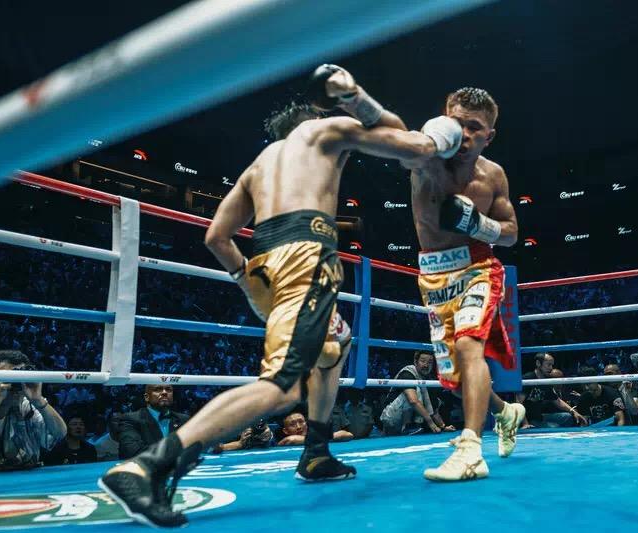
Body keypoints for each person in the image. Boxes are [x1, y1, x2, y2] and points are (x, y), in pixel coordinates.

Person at [99, 65, 463, 527]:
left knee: (336, 343)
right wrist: (428, 129)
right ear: (314, 118)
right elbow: (407, 142)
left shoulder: (261, 164)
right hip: (306, 258)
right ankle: (147, 467)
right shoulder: (324, 131)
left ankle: (316, 451)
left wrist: (248, 283)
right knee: (282, 386)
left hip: (266, 262)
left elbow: (216, 236)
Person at [406, 87, 528, 481]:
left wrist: (478, 224)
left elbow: (511, 232)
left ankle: (471, 449)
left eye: (474, 127)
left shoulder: (493, 175)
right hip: (433, 275)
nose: (465, 134)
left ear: (489, 136)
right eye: (457, 123)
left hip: (478, 267)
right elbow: (397, 146)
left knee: (468, 343)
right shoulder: (426, 157)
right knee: (456, 382)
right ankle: (505, 412)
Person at [0, 350, 66, 471]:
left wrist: (38, 399)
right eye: (9, 378)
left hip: (24, 477)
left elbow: (59, 434)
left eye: (20, 377)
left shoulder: (27, 406)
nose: (16, 384)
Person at [379, 351, 455, 435]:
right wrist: (431, 423)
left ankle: (412, 426)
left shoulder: (428, 381)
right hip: (391, 417)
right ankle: (407, 426)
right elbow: (413, 401)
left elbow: (433, 410)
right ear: (415, 362)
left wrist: (443, 426)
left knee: (436, 400)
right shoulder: (407, 373)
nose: (426, 365)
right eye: (423, 361)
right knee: (413, 392)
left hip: (402, 421)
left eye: (430, 362)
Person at [118, 385, 190, 459]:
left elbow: (192, 448)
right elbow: (134, 451)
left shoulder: (184, 419)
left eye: (168, 390)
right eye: (158, 389)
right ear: (147, 397)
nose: (164, 392)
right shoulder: (130, 419)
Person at [518, 353, 587, 428]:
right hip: (528, 419)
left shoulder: (546, 381)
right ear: (538, 363)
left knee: (567, 417)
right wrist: (525, 423)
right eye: (548, 365)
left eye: (552, 365)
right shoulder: (528, 379)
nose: (551, 368)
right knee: (554, 426)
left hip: (539, 417)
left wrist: (574, 412)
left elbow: (557, 401)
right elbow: (518, 403)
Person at [276, 411, 353, 446]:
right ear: (285, 431)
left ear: (306, 424)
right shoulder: (285, 441)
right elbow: (292, 440)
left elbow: (348, 434)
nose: (299, 427)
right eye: (292, 424)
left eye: (301, 422)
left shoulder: (314, 435)